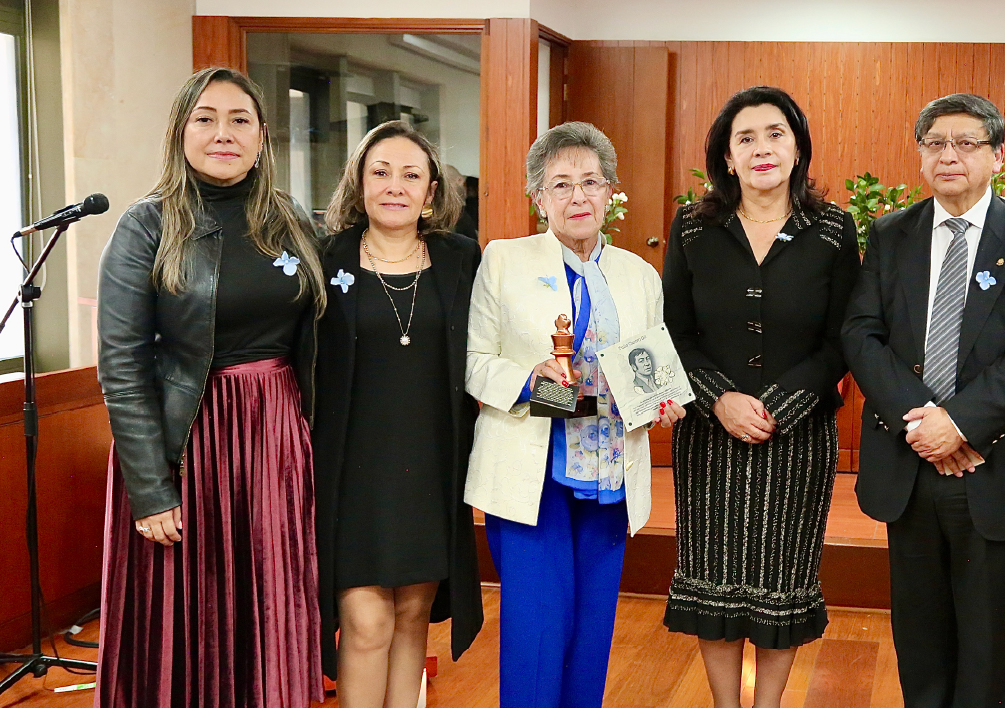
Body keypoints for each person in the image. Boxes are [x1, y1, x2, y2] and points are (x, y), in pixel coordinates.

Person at [94, 67, 325, 706]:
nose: (223, 134)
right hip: (187, 441)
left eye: (239, 120)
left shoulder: (293, 222)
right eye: (206, 119)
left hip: (275, 439)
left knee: (269, 609)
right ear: (180, 131)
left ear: (261, 137)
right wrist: (148, 487)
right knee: (186, 623)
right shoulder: (145, 227)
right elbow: (121, 362)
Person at [841, 93, 1005, 707]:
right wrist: (924, 424)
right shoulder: (891, 234)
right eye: (935, 143)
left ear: (997, 155)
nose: (949, 156)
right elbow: (861, 333)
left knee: (987, 638)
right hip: (909, 462)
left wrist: (961, 425)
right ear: (920, 155)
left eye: (967, 143)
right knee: (918, 636)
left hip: (995, 463)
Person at [465, 121, 686, 708]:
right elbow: (476, 363)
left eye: (591, 182)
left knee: (592, 633)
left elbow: (654, 368)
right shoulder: (503, 261)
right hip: (531, 472)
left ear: (612, 191)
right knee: (537, 630)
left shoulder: (640, 274)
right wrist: (539, 387)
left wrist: (663, 403)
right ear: (538, 197)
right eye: (560, 184)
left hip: (609, 478)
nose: (578, 196)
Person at [662, 85, 860, 708]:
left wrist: (781, 402)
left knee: (783, 580)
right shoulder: (695, 226)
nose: (761, 149)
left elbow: (843, 338)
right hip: (708, 434)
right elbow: (675, 330)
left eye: (775, 134)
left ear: (797, 147)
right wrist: (719, 399)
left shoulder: (832, 229)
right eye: (744, 138)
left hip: (798, 435)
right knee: (714, 584)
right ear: (726, 156)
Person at [312, 120, 484, 706]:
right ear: (358, 183)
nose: (395, 186)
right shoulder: (323, 258)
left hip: (432, 465)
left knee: (412, 617)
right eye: (380, 172)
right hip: (350, 471)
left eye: (411, 175)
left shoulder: (462, 260)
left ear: (431, 192)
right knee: (365, 624)